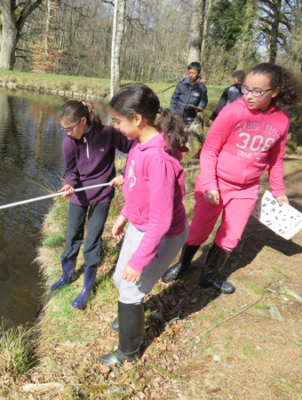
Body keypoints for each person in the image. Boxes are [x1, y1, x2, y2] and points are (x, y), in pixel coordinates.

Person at [162, 63, 302, 293]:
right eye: (247, 88)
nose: (249, 95)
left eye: (258, 91)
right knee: (199, 229)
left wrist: (278, 190)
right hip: (215, 183)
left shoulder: (281, 120)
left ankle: (208, 276)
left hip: (246, 190)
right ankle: (183, 265)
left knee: (231, 236)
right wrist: (209, 184)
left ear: (275, 91)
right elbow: (208, 151)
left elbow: (276, 159)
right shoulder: (232, 111)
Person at [98, 83, 189, 366]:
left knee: (130, 288)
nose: (116, 127)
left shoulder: (158, 158)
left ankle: (128, 353)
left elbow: (161, 220)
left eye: (117, 121)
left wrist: (139, 261)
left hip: (161, 235)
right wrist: (125, 214)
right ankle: (130, 316)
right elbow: (137, 187)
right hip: (141, 226)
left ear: (137, 119)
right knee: (119, 280)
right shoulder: (139, 146)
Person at [52, 100, 133, 310]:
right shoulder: (68, 142)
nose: (68, 133)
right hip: (78, 196)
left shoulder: (108, 133)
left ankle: (86, 289)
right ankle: (67, 276)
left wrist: (124, 174)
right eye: (64, 129)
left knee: (92, 240)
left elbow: (135, 148)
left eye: (70, 128)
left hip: (102, 195)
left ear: (83, 121)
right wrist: (69, 184)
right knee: (72, 236)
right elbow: (71, 171)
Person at [169, 62, 208, 126]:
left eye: (194, 73)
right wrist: (172, 113)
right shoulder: (181, 84)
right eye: (189, 73)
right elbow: (174, 99)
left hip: (190, 119)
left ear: (199, 73)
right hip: (176, 116)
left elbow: (203, 101)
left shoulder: (202, 88)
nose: (191, 75)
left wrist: (200, 107)